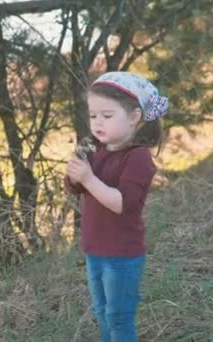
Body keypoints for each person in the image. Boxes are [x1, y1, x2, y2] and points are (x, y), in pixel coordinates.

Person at [65, 72, 169, 342]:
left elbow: (124, 204)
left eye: (107, 116)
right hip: (94, 248)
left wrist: (88, 178)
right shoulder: (97, 149)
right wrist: (75, 175)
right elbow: (78, 188)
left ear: (134, 117)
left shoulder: (138, 157)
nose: (97, 122)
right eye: (93, 115)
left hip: (122, 254)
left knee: (119, 318)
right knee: (102, 312)